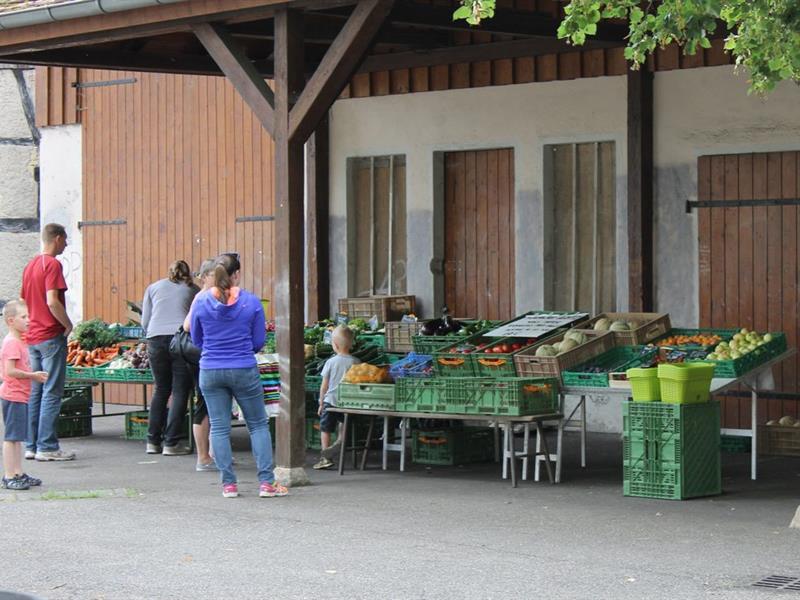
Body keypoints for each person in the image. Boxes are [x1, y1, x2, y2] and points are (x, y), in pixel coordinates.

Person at [190, 253, 288, 499]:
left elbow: (196, 339)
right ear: (236, 274)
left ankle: (229, 485)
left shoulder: (201, 301)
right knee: (258, 425)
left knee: (219, 427)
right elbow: (258, 341)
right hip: (244, 368)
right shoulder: (251, 302)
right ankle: (266, 483)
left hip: (210, 369)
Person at [21, 223, 74, 462]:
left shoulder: (30, 265)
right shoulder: (52, 264)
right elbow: (52, 301)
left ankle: (31, 445)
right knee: (52, 391)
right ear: (58, 238)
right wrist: (68, 324)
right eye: (65, 240)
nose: (66, 244)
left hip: (33, 335)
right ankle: (48, 446)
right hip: (50, 335)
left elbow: (25, 301)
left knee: (37, 390)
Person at [141, 260, 199, 455]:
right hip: (180, 339)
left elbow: (145, 321)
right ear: (188, 272)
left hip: (155, 339)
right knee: (180, 390)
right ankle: (171, 443)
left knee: (161, 389)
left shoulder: (153, 287)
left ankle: (152, 442)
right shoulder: (193, 289)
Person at [1, 301, 47, 490]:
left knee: (18, 437)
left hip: (20, 395)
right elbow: (10, 371)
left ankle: (18, 473)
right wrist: (32, 376)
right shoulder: (12, 343)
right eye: (23, 317)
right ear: (11, 321)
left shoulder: (19, 341)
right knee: (11, 438)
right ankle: (9, 475)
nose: (28, 320)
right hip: (13, 396)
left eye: (28, 316)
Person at [181, 258, 216, 471]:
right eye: (214, 275)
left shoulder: (211, 296)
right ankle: (203, 457)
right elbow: (187, 326)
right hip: (201, 358)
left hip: (207, 357)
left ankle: (213, 454)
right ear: (204, 277)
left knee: (212, 406)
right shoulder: (202, 297)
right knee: (203, 404)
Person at [314, 325, 360, 470]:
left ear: (335, 344)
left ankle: (325, 456)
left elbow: (324, 386)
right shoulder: (356, 362)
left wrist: (321, 403)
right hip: (348, 402)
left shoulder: (331, 362)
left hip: (331, 401)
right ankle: (340, 440)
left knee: (325, 428)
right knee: (343, 421)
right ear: (351, 344)